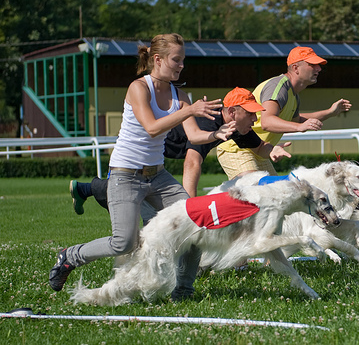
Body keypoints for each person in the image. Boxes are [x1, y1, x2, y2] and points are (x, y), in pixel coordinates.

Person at [49, 33, 228, 300]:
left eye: (183, 60)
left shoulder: (180, 94)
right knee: (124, 243)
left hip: (159, 176)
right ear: (158, 59)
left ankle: (184, 290)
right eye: (176, 60)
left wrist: (219, 133)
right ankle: (70, 256)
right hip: (125, 175)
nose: (181, 66)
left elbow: (193, 136)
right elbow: (152, 127)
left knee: (195, 224)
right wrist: (189, 111)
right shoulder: (138, 88)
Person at [70, 87, 292, 214]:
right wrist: (191, 206)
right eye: (251, 113)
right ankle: (86, 189)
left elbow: (260, 147)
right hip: (144, 148)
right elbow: (192, 162)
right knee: (126, 196)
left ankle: (83, 189)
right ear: (232, 112)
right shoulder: (209, 122)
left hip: (159, 155)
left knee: (138, 200)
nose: (255, 119)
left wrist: (272, 150)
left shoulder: (238, 127)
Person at [217, 46, 352, 179]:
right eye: (312, 64)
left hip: (259, 151)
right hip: (237, 148)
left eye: (318, 65)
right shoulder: (279, 86)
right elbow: (267, 121)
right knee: (253, 192)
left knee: (274, 195)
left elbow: (296, 121)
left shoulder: (292, 95)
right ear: (295, 68)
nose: (319, 68)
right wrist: (299, 127)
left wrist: (330, 112)